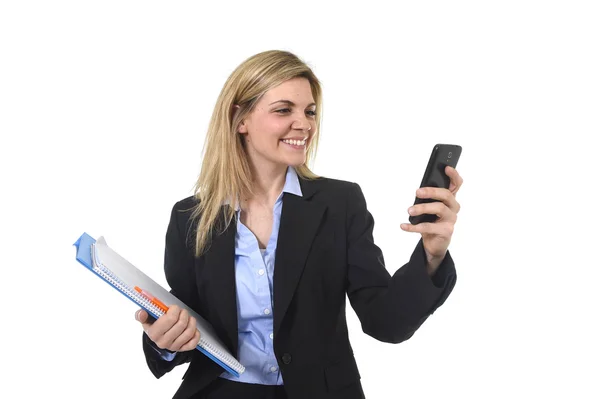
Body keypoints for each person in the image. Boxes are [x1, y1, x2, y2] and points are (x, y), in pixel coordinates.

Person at [135, 50, 463, 399]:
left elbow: (386, 323)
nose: (304, 124)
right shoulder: (191, 217)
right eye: (283, 110)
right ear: (239, 119)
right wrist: (164, 341)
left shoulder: (340, 203)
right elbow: (186, 326)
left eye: (309, 112)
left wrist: (431, 255)